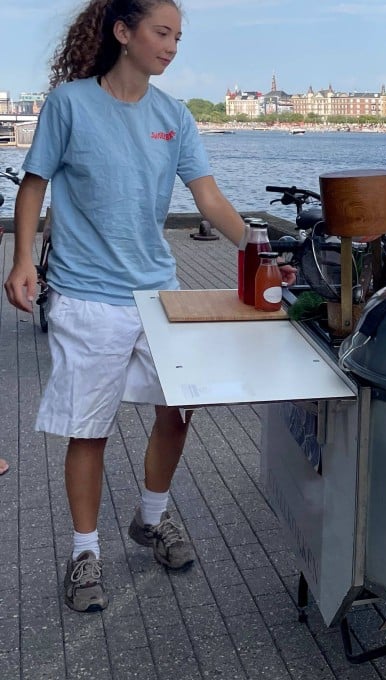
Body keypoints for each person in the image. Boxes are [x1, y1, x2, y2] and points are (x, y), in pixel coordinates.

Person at [3, 0, 291, 613]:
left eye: (178, 36)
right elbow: (34, 184)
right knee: (90, 430)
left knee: (179, 407)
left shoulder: (174, 116)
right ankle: (85, 553)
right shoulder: (71, 103)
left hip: (157, 291)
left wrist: (263, 249)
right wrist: (22, 259)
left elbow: (208, 200)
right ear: (123, 32)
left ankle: (151, 518)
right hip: (87, 296)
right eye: (162, 32)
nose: (172, 46)